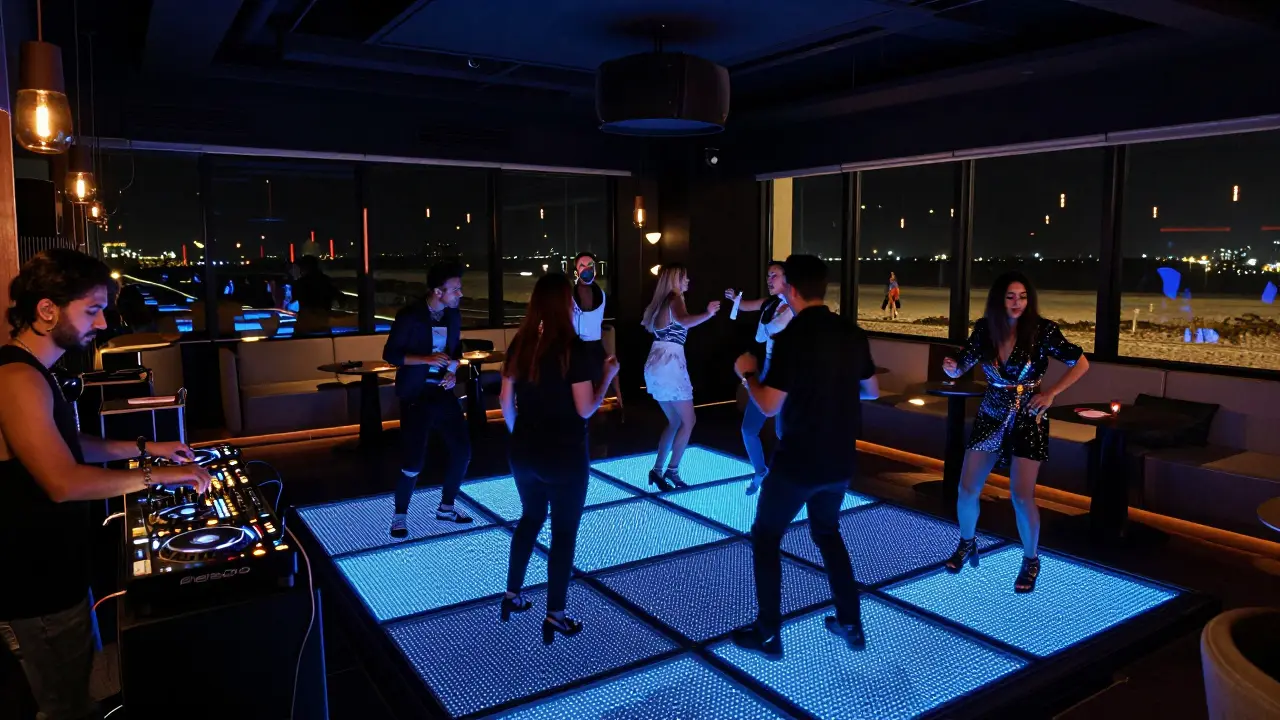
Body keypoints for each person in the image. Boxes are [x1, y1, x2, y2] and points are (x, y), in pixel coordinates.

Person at [0, 249, 211, 720]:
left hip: (58, 576)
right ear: (47, 310)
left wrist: (146, 449)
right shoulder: (17, 377)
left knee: (80, 692)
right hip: (37, 586)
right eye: (91, 310)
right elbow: (61, 481)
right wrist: (158, 476)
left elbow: (69, 446)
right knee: (66, 708)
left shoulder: (35, 371)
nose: (100, 324)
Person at [731, 255, 879, 659]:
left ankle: (767, 633)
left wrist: (747, 372)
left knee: (766, 536)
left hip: (798, 459)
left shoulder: (792, 337)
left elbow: (767, 405)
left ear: (791, 289)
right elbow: (872, 390)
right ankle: (850, 620)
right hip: (840, 460)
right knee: (827, 533)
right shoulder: (851, 331)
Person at [941, 270, 1089, 593]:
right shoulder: (985, 330)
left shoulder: (1043, 330)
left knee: (1021, 496)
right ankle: (967, 542)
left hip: (1029, 415)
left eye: (1022, 296)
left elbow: (1080, 363)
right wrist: (951, 366)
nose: (1017, 302)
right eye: (1010, 296)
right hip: (992, 411)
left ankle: (1031, 559)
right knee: (966, 489)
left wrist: (1050, 394)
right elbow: (963, 363)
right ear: (999, 299)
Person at [499, 274, 619, 643]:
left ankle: (512, 595)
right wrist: (607, 375)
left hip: (523, 451)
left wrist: (522, 432)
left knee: (529, 519)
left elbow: (505, 401)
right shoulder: (573, 349)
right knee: (563, 532)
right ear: (564, 303)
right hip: (565, 453)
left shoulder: (521, 343)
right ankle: (555, 615)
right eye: (571, 299)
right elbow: (585, 410)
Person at [383, 260, 472, 538]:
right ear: (437, 291)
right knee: (413, 462)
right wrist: (426, 359)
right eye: (454, 289)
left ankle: (446, 507)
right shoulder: (410, 316)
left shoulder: (452, 316)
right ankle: (400, 515)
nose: (460, 294)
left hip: (442, 392)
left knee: (462, 451)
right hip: (416, 394)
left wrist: (453, 370)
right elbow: (391, 355)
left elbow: (456, 350)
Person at [641, 264, 720, 490]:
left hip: (656, 361)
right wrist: (708, 313)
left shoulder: (661, 303)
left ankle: (657, 471)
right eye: (685, 278)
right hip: (670, 362)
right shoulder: (675, 298)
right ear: (676, 279)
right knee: (688, 421)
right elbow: (685, 321)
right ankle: (672, 471)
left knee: (675, 421)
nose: (688, 281)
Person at [724, 261, 793, 494]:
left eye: (774, 275)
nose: (769, 279)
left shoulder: (797, 308)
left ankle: (788, 481)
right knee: (748, 429)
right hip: (767, 370)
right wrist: (734, 298)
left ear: (787, 278)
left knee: (783, 432)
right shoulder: (770, 303)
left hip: (788, 373)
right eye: (768, 275)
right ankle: (760, 470)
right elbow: (745, 305)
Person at [571, 252, 607, 384]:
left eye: (590, 265)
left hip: (595, 349)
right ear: (576, 271)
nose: (587, 269)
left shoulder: (601, 294)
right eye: (582, 266)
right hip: (575, 350)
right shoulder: (569, 295)